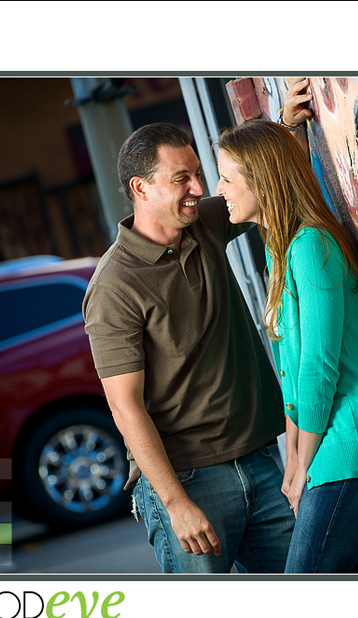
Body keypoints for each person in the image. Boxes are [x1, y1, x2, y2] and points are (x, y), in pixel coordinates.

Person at [82, 122, 295, 573]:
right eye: (182, 178)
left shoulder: (204, 224)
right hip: (188, 481)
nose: (198, 188)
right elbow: (125, 408)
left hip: (259, 462)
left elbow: (253, 182)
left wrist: (286, 122)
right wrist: (176, 503)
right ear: (141, 187)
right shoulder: (114, 286)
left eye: (198, 173)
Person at [216, 111, 358, 573]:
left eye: (227, 179)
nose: (219, 191)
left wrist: (301, 465)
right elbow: (290, 366)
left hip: (356, 443)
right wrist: (292, 463)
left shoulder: (312, 247)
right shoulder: (279, 247)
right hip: (329, 447)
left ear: (262, 181)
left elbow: (317, 368)